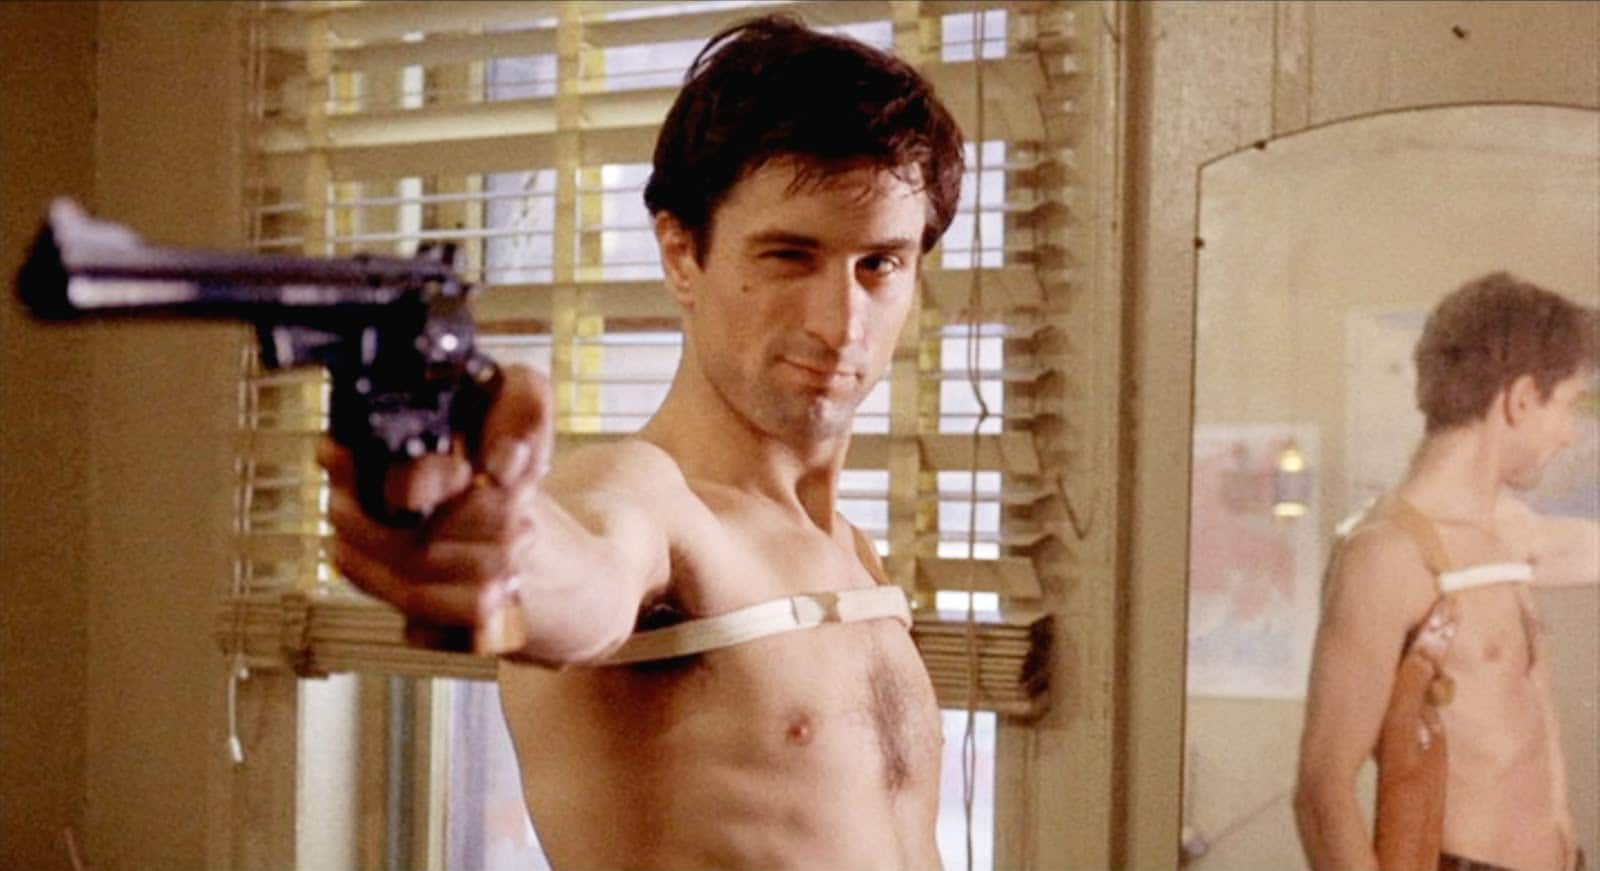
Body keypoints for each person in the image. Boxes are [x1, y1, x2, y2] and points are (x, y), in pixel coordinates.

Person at [319, 14, 965, 869]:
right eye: (788, 256)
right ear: (680, 254)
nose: (841, 322)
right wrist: (500, 549)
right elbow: (585, 571)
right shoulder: (648, 502)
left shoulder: (853, 557)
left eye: (878, 264)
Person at [1295, 272, 1599, 871]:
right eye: (1567, 406)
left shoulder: (1504, 533)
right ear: (1520, 399)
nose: (1570, 435)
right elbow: (1321, 792)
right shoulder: (1386, 556)